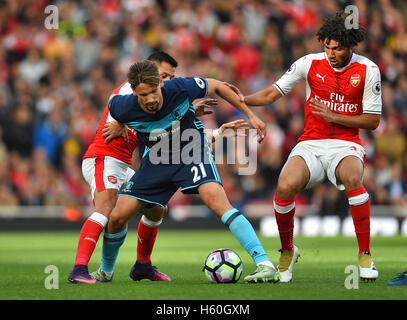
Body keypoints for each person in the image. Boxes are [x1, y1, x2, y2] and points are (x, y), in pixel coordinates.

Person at [67, 51, 248, 284]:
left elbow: (181, 141)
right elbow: (114, 118)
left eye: (169, 77)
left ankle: (142, 265)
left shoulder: (159, 99)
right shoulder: (129, 93)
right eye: (163, 75)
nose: (166, 82)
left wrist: (190, 112)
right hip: (105, 157)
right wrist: (118, 124)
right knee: (107, 207)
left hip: (125, 164)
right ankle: (80, 269)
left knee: (156, 209)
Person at [106, 59, 280, 284]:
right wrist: (119, 123)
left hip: (191, 151)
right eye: (143, 95)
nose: (150, 99)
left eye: (153, 91)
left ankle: (264, 264)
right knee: (118, 215)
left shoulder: (179, 88)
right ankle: (106, 271)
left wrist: (252, 116)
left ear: (161, 83)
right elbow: (114, 106)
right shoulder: (122, 105)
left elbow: (216, 85)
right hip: (157, 161)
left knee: (217, 203)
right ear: (134, 92)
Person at [242, 12, 382, 282]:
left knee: (354, 177)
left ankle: (365, 254)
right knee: (284, 185)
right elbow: (273, 93)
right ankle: (287, 251)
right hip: (311, 142)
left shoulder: (368, 69)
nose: (331, 53)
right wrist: (242, 98)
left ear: (351, 45)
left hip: (346, 144)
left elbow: (373, 121)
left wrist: (333, 116)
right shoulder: (308, 63)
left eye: (337, 48)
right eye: (327, 47)